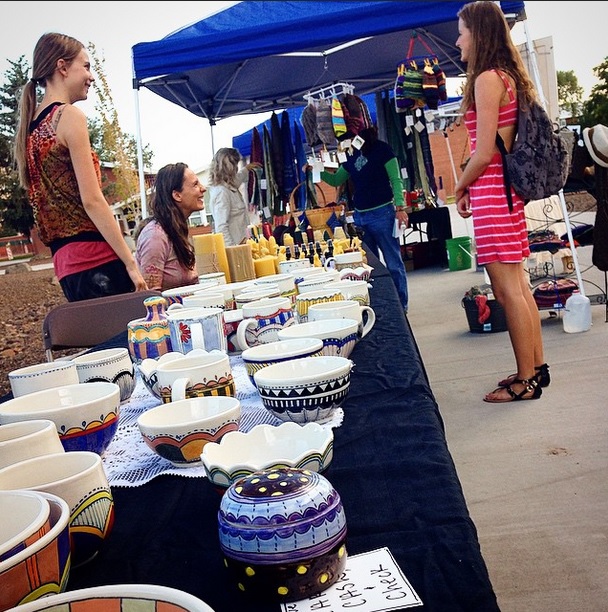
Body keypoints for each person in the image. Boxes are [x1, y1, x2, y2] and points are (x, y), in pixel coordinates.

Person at [454, 1, 549, 403]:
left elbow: (483, 153)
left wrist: (459, 187)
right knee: (519, 286)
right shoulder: (507, 77)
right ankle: (535, 368)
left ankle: (525, 380)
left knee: (507, 290)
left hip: (493, 191)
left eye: (462, 32)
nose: (458, 41)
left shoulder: (486, 80)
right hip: (506, 192)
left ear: (478, 34)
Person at [13, 32, 147, 302]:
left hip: (67, 266)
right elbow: (92, 200)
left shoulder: (31, 130)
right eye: (86, 66)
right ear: (62, 67)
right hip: (98, 260)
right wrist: (131, 262)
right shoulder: (68, 116)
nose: (91, 76)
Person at [310, 126, 410, 312]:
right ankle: (382, 305)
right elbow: (336, 180)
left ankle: (401, 307)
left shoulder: (383, 149)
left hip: (383, 213)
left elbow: (396, 179)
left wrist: (400, 207)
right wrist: (316, 169)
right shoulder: (350, 154)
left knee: (393, 263)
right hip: (360, 216)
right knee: (369, 267)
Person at [135, 163, 205, 291]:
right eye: (195, 185)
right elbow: (151, 296)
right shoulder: (155, 236)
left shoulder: (177, 229)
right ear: (177, 195)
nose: (203, 188)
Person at [207, 147, 258, 246]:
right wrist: (232, 250)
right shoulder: (222, 192)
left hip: (242, 245)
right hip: (236, 248)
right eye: (235, 165)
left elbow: (237, 179)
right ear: (230, 167)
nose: (236, 168)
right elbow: (221, 227)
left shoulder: (228, 187)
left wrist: (247, 169)